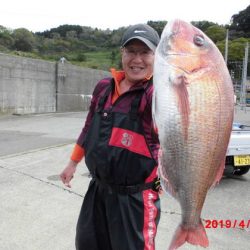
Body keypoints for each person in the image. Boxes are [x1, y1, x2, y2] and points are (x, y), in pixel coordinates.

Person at [60, 23, 161, 250]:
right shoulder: (104, 87)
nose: (137, 59)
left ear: (157, 56)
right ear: (122, 53)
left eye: (145, 52)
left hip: (135, 198)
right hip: (98, 189)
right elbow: (88, 128)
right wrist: (72, 163)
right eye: (131, 51)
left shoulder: (155, 94)